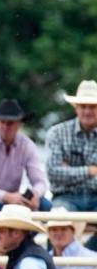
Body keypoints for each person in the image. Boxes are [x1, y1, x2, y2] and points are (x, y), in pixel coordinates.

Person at [46, 80, 97, 213]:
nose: (87, 111)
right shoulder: (57, 133)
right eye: (83, 106)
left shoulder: (57, 133)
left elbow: (59, 173)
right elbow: (53, 173)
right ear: (76, 108)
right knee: (58, 219)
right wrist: (90, 170)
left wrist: (70, 171)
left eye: (92, 107)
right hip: (66, 198)